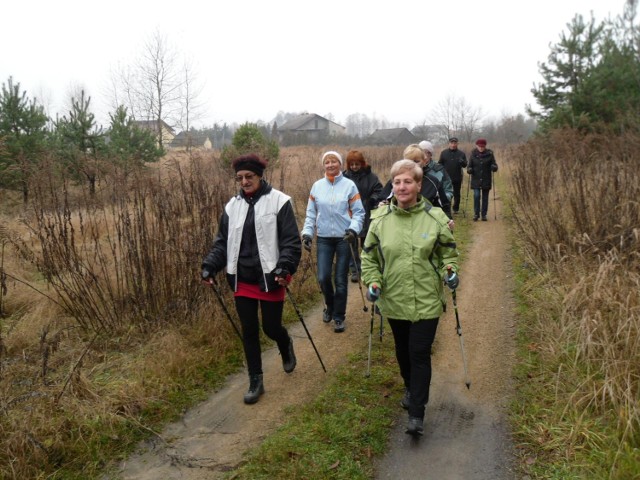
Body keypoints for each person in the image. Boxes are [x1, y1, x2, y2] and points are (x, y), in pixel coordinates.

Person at [361, 159, 459, 436]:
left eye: (408, 181)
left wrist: (450, 271)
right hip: (393, 299)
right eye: (397, 181)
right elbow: (369, 258)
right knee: (403, 352)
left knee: (419, 353)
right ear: (392, 186)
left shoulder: (436, 218)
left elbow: (447, 254)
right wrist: (373, 282)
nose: (402, 186)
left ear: (418, 185)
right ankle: (409, 385)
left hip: (427, 299)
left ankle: (417, 411)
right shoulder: (379, 220)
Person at [201, 154, 302, 405]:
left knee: (270, 327)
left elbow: (290, 242)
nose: (244, 181)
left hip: (270, 277)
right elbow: (222, 243)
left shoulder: (279, 202)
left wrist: (284, 268)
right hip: (241, 277)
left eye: (249, 177)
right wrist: (210, 266)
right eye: (240, 178)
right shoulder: (231, 207)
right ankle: (255, 380)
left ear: (259, 176)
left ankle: (284, 341)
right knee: (249, 330)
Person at [301, 151, 365, 333]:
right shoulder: (317, 186)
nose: (330, 165)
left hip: (344, 237)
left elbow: (359, 212)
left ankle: (339, 317)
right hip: (323, 238)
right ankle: (329, 306)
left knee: (340, 279)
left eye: (334, 161)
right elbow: (311, 213)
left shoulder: (349, 185)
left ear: (340, 164)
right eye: (327, 162)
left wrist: (354, 229)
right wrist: (307, 233)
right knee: (323, 277)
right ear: (323, 165)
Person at [377, 144, 453, 221]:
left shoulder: (433, 182)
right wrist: (381, 204)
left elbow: (444, 207)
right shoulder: (395, 182)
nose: (412, 164)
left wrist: (448, 221)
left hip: (425, 226)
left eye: (416, 161)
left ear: (424, 161)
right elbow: (383, 201)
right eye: (408, 161)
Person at [343, 150, 383, 283]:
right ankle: (355, 270)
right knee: (351, 244)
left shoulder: (371, 176)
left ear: (362, 163)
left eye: (357, 164)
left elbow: (379, 190)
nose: (354, 167)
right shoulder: (343, 177)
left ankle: (369, 268)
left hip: (367, 212)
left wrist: (373, 199)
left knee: (368, 243)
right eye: (352, 164)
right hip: (349, 214)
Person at [467, 138, 498, 221]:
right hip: (476, 179)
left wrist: (494, 167)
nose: (481, 148)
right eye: (479, 146)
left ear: (485, 146)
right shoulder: (473, 154)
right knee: (476, 196)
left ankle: (484, 214)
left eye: (482, 146)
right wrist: (469, 169)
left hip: (486, 179)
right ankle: (476, 214)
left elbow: (494, 165)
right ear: (477, 146)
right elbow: (469, 166)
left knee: (485, 197)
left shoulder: (490, 154)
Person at [438, 137, 468, 214]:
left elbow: (465, 165)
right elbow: (440, 164)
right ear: (449, 143)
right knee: (446, 193)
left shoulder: (461, 154)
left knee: (457, 194)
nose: (453, 145)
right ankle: (447, 208)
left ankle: (456, 208)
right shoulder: (444, 153)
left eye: (455, 143)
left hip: (457, 177)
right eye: (452, 143)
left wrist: (462, 162)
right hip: (446, 178)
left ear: (457, 144)